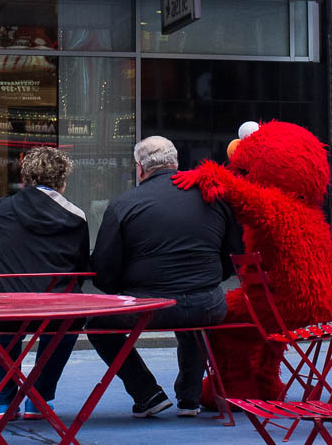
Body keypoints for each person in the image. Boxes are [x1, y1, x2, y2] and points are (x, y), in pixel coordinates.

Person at [86, 135, 242, 418]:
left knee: (97, 322)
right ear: (176, 163)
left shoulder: (124, 204)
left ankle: (147, 393)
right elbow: (235, 252)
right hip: (207, 303)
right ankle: (190, 397)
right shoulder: (212, 197)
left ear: (140, 168)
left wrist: (127, 289)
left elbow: (104, 269)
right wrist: (209, 279)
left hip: (148, 305)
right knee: (196, 319)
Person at [0, 146, 89, 419]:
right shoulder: (76, 216)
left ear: (26, 176)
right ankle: (40, 397)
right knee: (67, 324)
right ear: (63, 180)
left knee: (0, 324)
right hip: (53, 311)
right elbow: (80, 267)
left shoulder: (3, 207)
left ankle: (6, 400)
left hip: (0, 309)